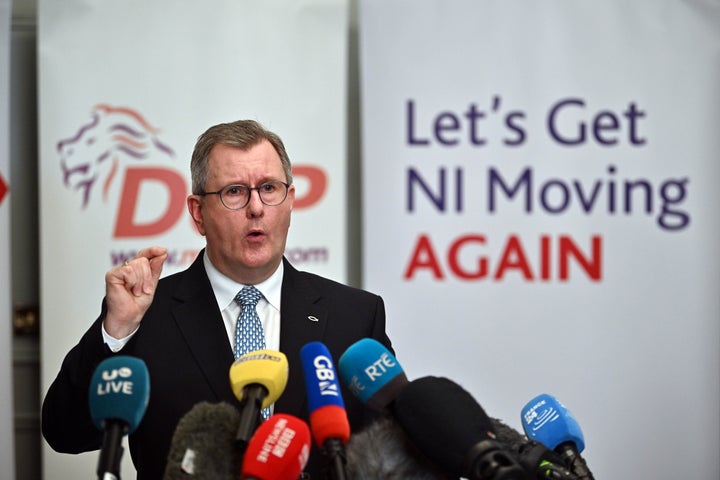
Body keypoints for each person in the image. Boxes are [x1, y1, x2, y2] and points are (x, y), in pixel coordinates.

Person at [42, 119, 393, 479]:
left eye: (269, 188)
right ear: (198, 214)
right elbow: (66, 433)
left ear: (290, 202)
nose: (256, 208)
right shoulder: (144, 316)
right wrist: (116, 332)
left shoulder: (356, 317)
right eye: (235, 192)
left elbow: (389, 455)